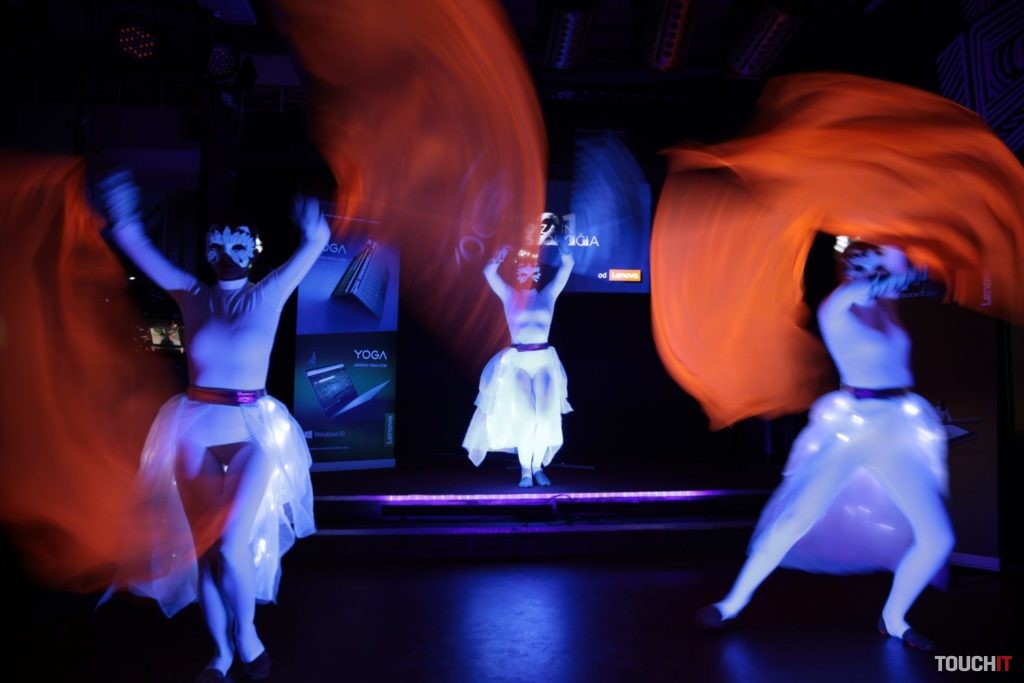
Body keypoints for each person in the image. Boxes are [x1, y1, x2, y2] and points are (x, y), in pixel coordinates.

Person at [98, 170, 330, 681]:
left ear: (254, 250)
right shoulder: (190, 293)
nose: (226, 253)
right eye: (216, 245)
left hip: (254, 430)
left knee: (230, 543)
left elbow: (315, 245)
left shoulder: (268, 293)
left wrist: (314, 226)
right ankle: (221, 653)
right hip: (194, 427)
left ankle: (247, 635)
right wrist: (123, 212)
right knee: (204, 550)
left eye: (238, 245)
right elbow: (138, 247)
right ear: (206, 251)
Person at [695, 241, 953, 651]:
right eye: (860, 266)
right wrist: (910, 275)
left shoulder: (887, 303)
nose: (870, 273)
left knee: (938, 537)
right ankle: (731, 604)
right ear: (847, 269)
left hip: (896, 426)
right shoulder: (838, 304)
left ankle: (894, 619)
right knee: (794, 519)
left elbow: (900, 273)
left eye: (877, 265)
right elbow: (892, 280)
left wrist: (906, 263)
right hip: (851, 426)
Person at [463, 212, 574, 487]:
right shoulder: (509, 296)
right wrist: (503, 249)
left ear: (539, 273)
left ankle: (537, 467)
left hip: (544, 361)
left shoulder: (548, 295)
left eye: (533, 269)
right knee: (526, 418)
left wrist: (562, 242)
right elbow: (488, 272)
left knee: (544, 418)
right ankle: (525, 470)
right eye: (523, 269)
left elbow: (568, 265)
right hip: (517, 362)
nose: (528, 272)